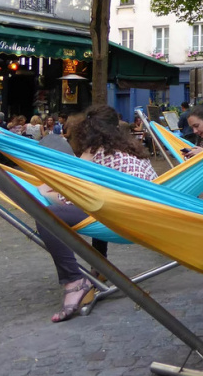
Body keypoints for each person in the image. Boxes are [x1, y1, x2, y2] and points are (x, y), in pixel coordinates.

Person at [36, 105, 158, 322]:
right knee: (98, 208)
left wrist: (44, 190)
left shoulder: (94, 151)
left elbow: (72, 196)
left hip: (121, 218)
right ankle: (99, 269)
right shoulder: (134, 149)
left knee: (47, 216)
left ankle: (74, 281)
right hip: (145, 216)